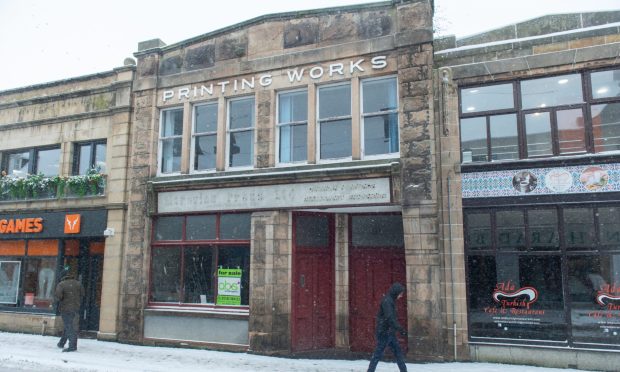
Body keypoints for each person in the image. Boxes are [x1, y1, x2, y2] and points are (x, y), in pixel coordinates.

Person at [367, 282, 408, 372]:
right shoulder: (387, 301)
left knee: (398, 353)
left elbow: (391, 318)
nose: (401, 296)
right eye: (400, 294)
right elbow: (390, 318)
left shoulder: (390, 300)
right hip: (384, 332)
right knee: (378, 354)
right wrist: (400, 329)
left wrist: (397, 329)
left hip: (389, 332)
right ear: (396, 292)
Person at [54, 267, 84, 352]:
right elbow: (83, 294)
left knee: (70, 327)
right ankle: (61, 343)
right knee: (69, 326)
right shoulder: (78, 284)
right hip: (76, 308)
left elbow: (58, 297)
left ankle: (72, 346)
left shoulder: (61, 284)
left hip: (66, 308)